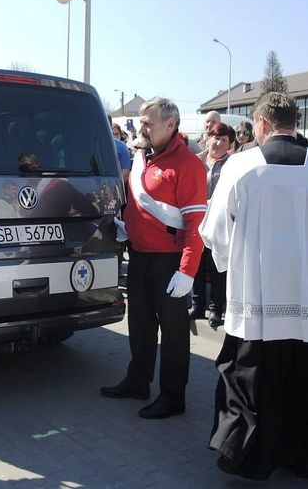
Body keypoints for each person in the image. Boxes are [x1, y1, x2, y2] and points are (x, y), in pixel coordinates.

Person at [200, 92, 308, 483]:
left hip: (259, 296)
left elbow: (215, 232)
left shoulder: (241, 166)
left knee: (255, 378)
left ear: (260, 124)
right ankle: (302, 454)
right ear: (294, 123)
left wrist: (230, 265)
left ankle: (250, 456)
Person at [100, 97, 207, 419]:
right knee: (141, 325)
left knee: (173, 334)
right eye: (140, 121)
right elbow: (141, 207)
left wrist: (187, 271)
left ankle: (173, 397)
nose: (141, 128)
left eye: (148, 122)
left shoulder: (188, 165)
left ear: (170, 124)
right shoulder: (141, 158)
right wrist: (127, 228)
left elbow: (195, 226)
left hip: (170, 261)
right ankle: (138, 381)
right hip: (141, 256)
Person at [192, 123, 233, 327]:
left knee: (217, 265)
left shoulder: (232, 164)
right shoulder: (196, 160)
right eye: (215, 138)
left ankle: (216, 309)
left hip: (219, 222)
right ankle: (197, 304)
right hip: (196, 219)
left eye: (224, 140)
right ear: (208, 139)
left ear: (229, 145)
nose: (218, 143)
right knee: (196, 263)